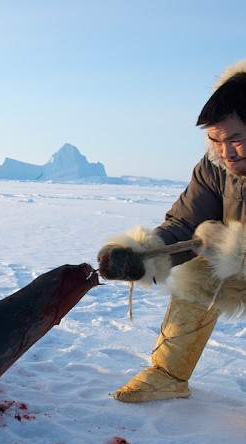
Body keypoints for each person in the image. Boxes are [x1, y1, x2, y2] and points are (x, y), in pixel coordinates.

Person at [97, 59, 246, 403]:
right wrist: (142, 254)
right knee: (198, 269)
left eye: (235, 138)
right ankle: (168, 374)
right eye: (215, 140)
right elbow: (185, 223)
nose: (225, 152)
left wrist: (231, 247)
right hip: (235, 265)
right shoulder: (214, 167)